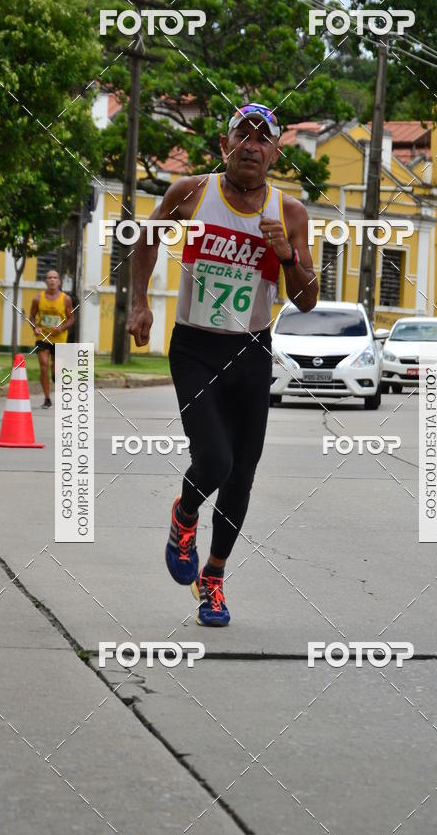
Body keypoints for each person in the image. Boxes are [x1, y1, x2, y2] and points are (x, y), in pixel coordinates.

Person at [127, 103, 318, 626]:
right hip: (195, 347)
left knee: (242, 475)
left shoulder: (290, 213)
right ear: (223, 144)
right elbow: (147, 237)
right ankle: (184, 514)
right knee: (214, 461)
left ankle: (213, 578)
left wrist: (287, 255)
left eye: (263, 138)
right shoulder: (190, 192)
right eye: (242, 135)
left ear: (275, 153)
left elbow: (307, 300)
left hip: (251, 351)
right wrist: (139, 302)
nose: (251, 146)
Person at [29, 270, 74, 408]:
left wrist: (61, 328)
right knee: (44, 365)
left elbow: (71, 319)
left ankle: (58, 382)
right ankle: (47, 398)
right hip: (43, 337)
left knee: (56, 371)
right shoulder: (38, 299)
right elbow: (31, 317)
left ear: (59, 281)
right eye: (49, 278)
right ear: (46, 281)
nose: (52, 280)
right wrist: (35, 327)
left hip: (59, 338)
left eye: (55, 277)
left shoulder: (66, 299)